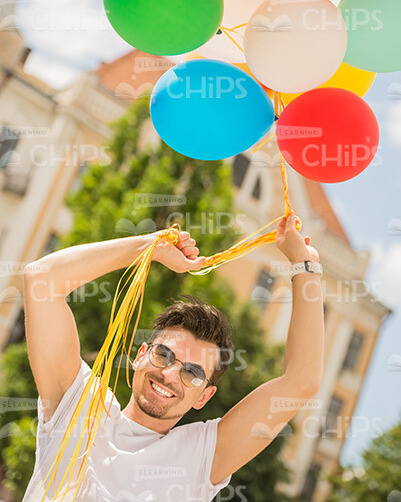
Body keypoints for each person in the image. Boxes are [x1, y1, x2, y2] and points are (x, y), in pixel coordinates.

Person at [22, 212, 324, 502]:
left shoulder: (200, 457)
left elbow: (301, 381)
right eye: (165, 355)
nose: (169, 375)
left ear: (203, 397)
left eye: (191, 372)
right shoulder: (79, 407)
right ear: (141, 354)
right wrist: (152, 247)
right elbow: (42, 279)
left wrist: (305, 264)